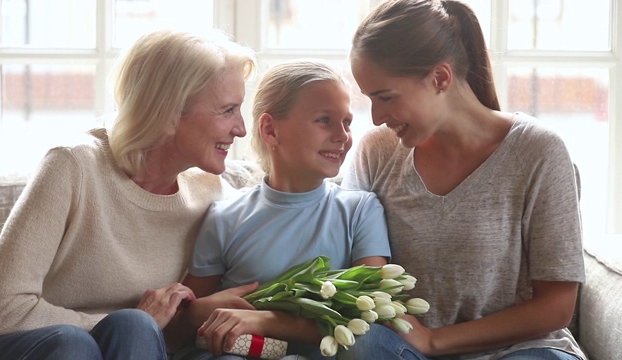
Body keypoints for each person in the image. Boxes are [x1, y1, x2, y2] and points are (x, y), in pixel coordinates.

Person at [0, 29, 258, 360]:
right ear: (168, 113)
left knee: (133, 328)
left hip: (131, 345)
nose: (241, 128)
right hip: (35, 348)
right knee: (82, 342)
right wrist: (122, 323)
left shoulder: (211, 195)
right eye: (228, 110)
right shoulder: (73, 167)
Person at [340, 0, 586, 359]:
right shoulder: (376, 153)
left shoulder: (539, 152)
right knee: (363, 345)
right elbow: (362, 273)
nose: (376, 117)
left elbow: (557, 306)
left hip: (523, 351)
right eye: (370, 100)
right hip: (408, 350)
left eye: (386, 97)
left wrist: (436, 340)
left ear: (440, 78)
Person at [174, 59, 392, 359]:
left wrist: (266, 320)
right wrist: (198, 312)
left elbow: (372, 317)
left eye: (347, 122)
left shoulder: (360, 211)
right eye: (324, 120)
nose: (343, 136)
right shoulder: (225, 216)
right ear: (270, 130)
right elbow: (177, 330)